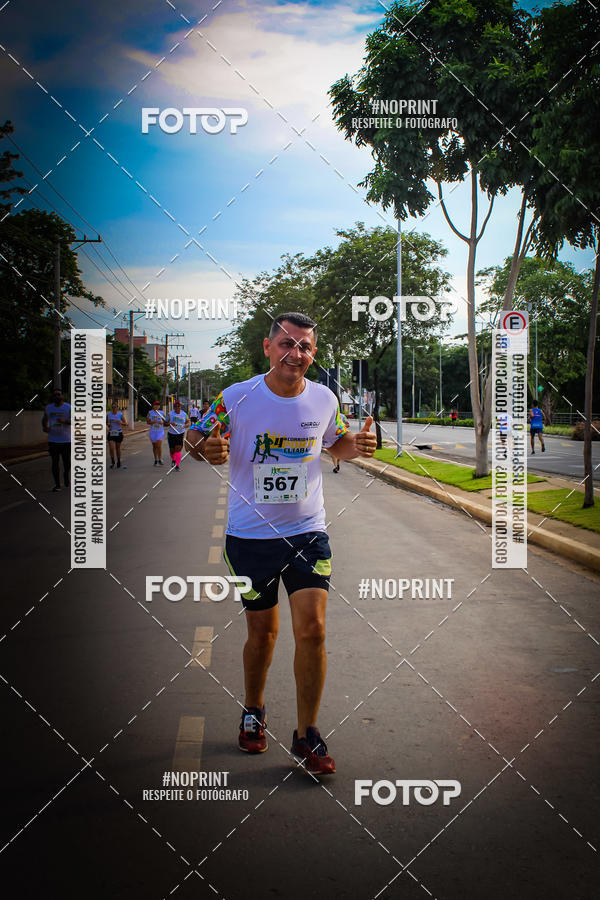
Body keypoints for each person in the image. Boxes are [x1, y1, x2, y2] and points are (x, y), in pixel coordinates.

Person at [186, 311, 377, 775]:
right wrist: (204, 449)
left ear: (314, 353)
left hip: (308, 532)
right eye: (288, 344)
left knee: (313, 630)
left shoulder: (325, 398)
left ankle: (307, 733)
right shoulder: (235, 396)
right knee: (263, 633)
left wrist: (357, 446)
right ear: (268, 347)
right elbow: (194, 437)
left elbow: (336, 444)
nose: (296, 353)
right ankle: (253, 709)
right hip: (249, 538)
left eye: (305, 346)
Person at [42, 388, 71, 492]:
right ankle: (57, 484)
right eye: (55, 395)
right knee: (54, 462)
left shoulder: (68, 407)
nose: (57, 396)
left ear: (62, 396)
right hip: (53, 440)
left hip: (66, 440)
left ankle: (66, 475)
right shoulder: (48, 408)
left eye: (59, 394)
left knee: (67, 462)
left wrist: (65, 421)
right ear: (53, 397)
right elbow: (44, 418)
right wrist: (45, 427)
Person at [167, 399, 189, 470]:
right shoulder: (170, 414)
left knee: (178, 449)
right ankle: (173, 459)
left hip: (180, 433)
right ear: (174, 407)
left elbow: (188, 422)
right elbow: (164, 423)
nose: (177, 407)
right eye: (175, 406)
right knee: (172, 450)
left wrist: (186, 425)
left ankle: (177, 465)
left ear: (180, 407)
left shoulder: (184, 414)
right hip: (171, 434)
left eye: (178, 406)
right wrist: (170, 423)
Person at [107, 401, 128, 469]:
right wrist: (108, 424)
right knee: (111, 448)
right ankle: (112, 461)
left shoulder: (120, 414)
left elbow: (126, 424)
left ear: (117, 407)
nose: (114, 408)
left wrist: (121, 422)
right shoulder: (109, 414)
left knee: (117, 448)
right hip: (111, 433)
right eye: (112, 407)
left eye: (115, 407)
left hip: (118, 432)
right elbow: (107, 423)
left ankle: (118, 461)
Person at [147, 400, 165, 465]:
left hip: (160, 431)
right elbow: (148, 422)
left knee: (159, 445)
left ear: (159, 406)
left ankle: (160, 459)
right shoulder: (150, 413)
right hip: (153, 431)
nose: (156, 406)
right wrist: (152, 422)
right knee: (154, 446)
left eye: (158, 405)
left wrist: (162, 422)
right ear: (153, 406)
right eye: (155, 405)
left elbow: (165, 421)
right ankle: (156, 459)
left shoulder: (162, 413)